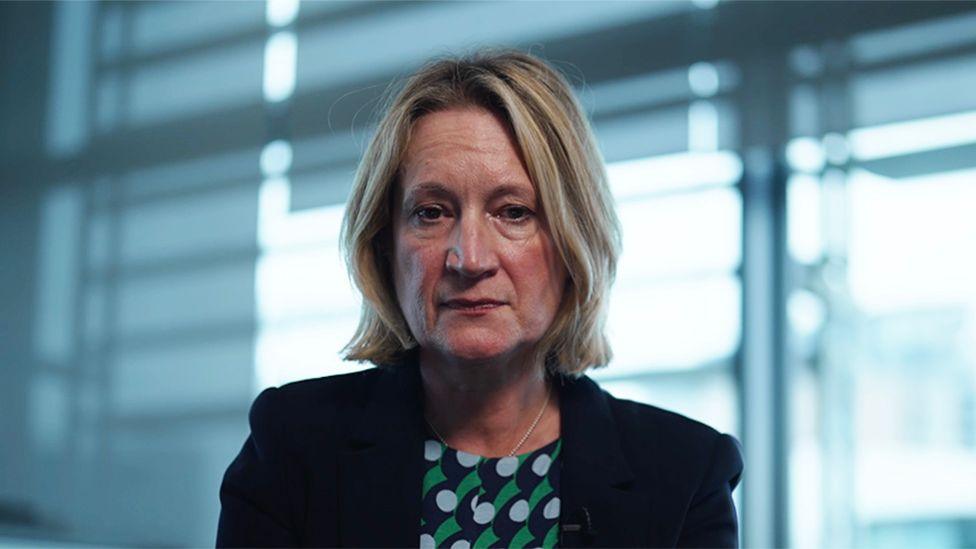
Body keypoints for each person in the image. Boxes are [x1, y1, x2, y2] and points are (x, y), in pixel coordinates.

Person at [217, 50, 742, 548]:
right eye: (431, 212)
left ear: (574, 241)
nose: (469, 258)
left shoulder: (686, 472)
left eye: (513, 212)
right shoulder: (292, 445)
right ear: (385, 245)